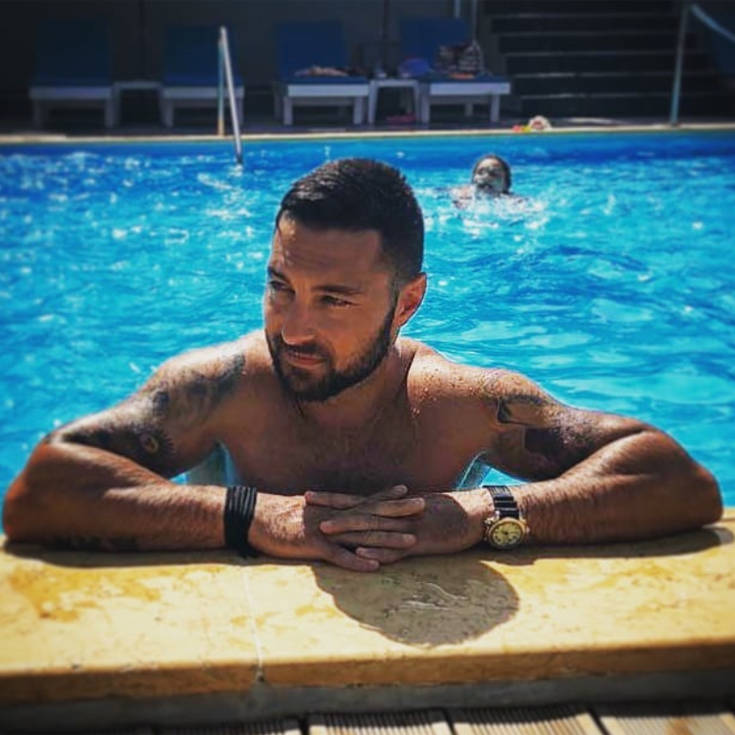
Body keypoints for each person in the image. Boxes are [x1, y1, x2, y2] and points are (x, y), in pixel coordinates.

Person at [3, 159, 722, 572]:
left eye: (334, 299)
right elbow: (41, 492)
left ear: (407, 302)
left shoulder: (462, 403)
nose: (293, 327)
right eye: (280, 286)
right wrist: (253, 515)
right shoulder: (220, 388)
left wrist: (480, 514)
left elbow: (676, 482)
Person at [451, 154, 515, 209]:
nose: (485, 177)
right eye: (480, 172)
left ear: (506, 185)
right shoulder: (459, 194)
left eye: (493, 174)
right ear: (473, 180)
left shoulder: (513, 203)